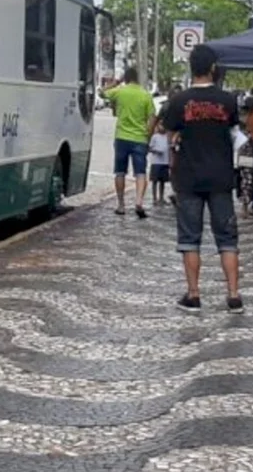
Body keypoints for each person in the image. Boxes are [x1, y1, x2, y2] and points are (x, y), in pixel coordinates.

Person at [163, 45, 243, 315]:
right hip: (221, 177)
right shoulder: (228, 100)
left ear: (190, 68)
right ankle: (233, 296)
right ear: (213, 68)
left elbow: (169, 135)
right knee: (227, 238)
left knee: (189, 238)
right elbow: (233, 130)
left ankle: (194, 295)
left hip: (188, 178)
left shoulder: (178, 101)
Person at [103, 67, 156, 218]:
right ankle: (138, 201)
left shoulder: (120, 92)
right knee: (140, 172)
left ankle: (121, 205)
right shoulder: (145, 95)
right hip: (140, 138)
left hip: (121, 137)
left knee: (120, 172)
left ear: (125, 78)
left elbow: (101, 93)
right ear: (138, 78)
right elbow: (152, 117)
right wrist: (148, 135)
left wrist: (115, 83)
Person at [148, 123, 171, 205]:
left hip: (165, 162)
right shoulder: (155, 136)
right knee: (155, 181)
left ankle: (161, 197)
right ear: (158, 126)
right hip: (156, 162)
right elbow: (150, 148)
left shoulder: (168, 137)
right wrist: (156, 151)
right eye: (161, 125)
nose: (162, 127)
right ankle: (154, 198)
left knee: (163, 181)